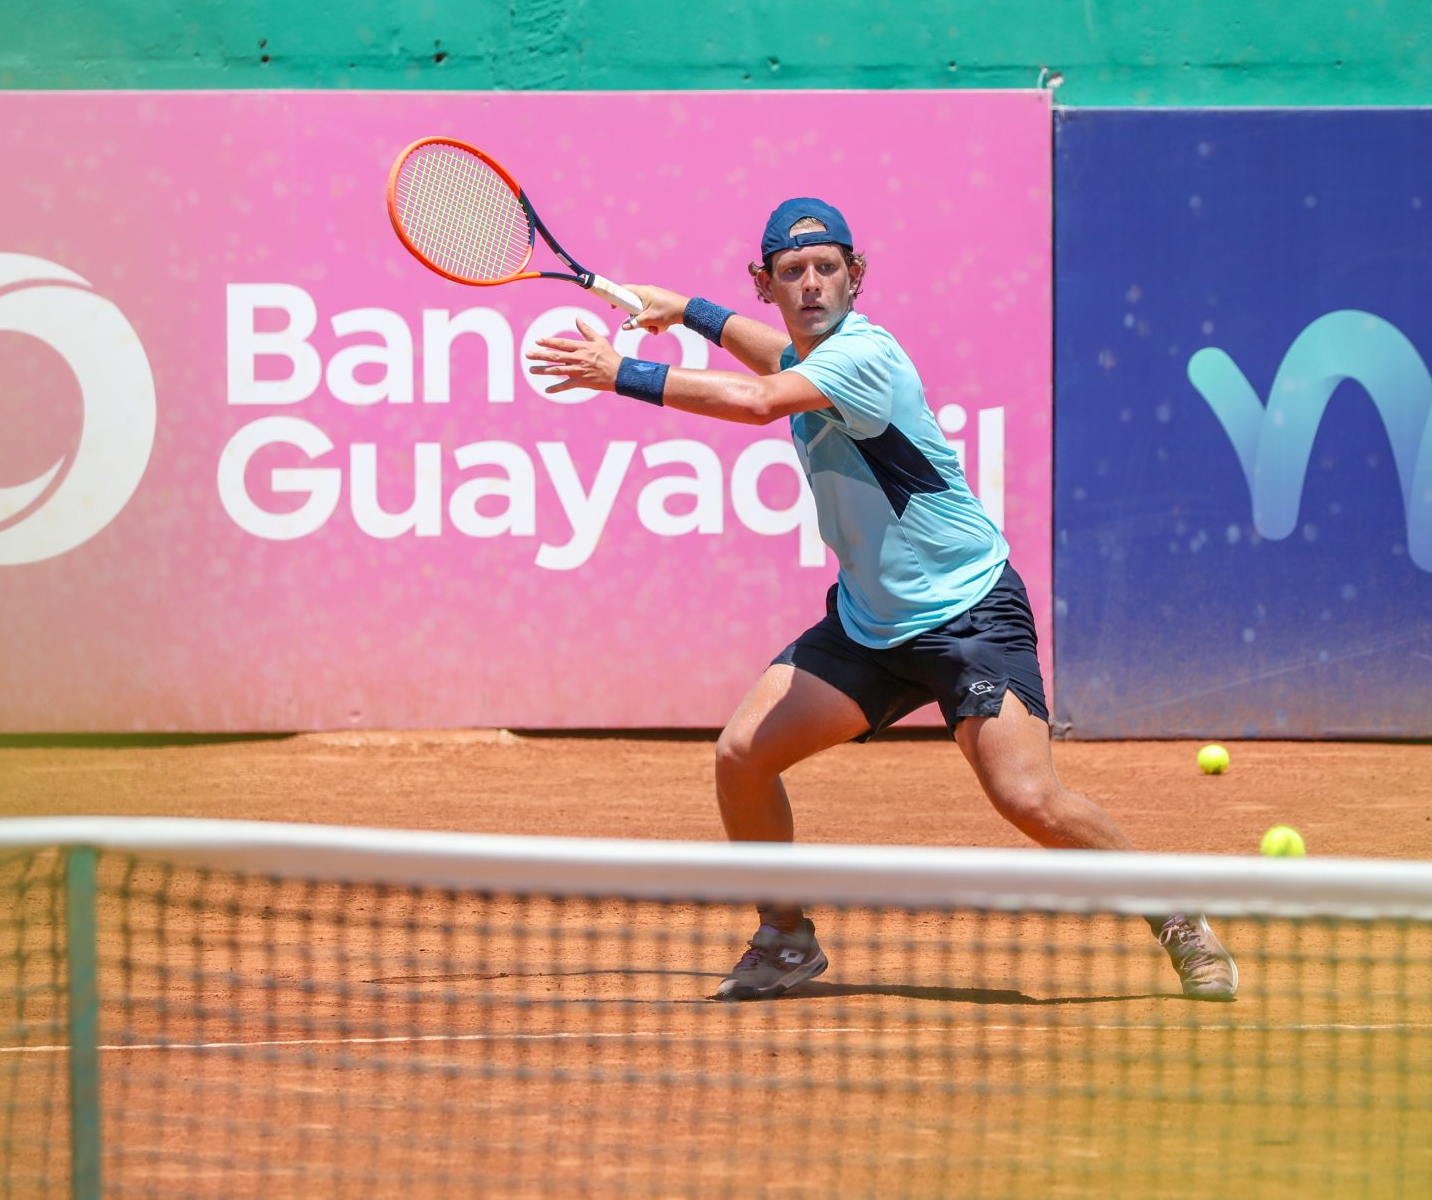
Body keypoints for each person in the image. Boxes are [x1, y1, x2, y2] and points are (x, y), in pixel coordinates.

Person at [524, 197, 1237, 1003]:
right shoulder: (808, 351)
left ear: (855, 274)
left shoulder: (863, 356)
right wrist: (685, 308)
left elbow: (760, 399)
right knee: (741, 756)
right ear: (766, 283)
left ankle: (1175, 914)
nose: (812, 283)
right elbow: (771, 354)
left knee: (1029, 798)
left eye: (827, 267)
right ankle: (785, 936)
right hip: (871, 626)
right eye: (792, 271)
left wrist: (620, 372)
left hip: (969, 615)